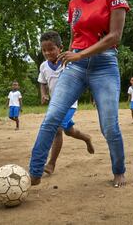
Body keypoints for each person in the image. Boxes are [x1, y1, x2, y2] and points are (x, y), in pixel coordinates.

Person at [29, 0, 129, 187]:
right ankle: (34, 173)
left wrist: (80, 53)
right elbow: (77, 37)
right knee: (52, 116)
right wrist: (74, 55)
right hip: (75, 66)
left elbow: (114, 36)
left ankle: (119, 170)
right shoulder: (74, 4)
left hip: (104, 64)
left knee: (109, 125)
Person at [38, 31, 95, 174]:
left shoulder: (68, 63)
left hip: (70, 103)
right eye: (44, 50)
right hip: (55, 104)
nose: (47, 53)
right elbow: (43, 83)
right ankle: (86, 138)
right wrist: (44, 94)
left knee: (57, 130)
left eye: (51, 49)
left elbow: (84, 78)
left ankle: (51, 164)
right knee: (69, 131)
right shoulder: (43, 66)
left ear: (60, 48)